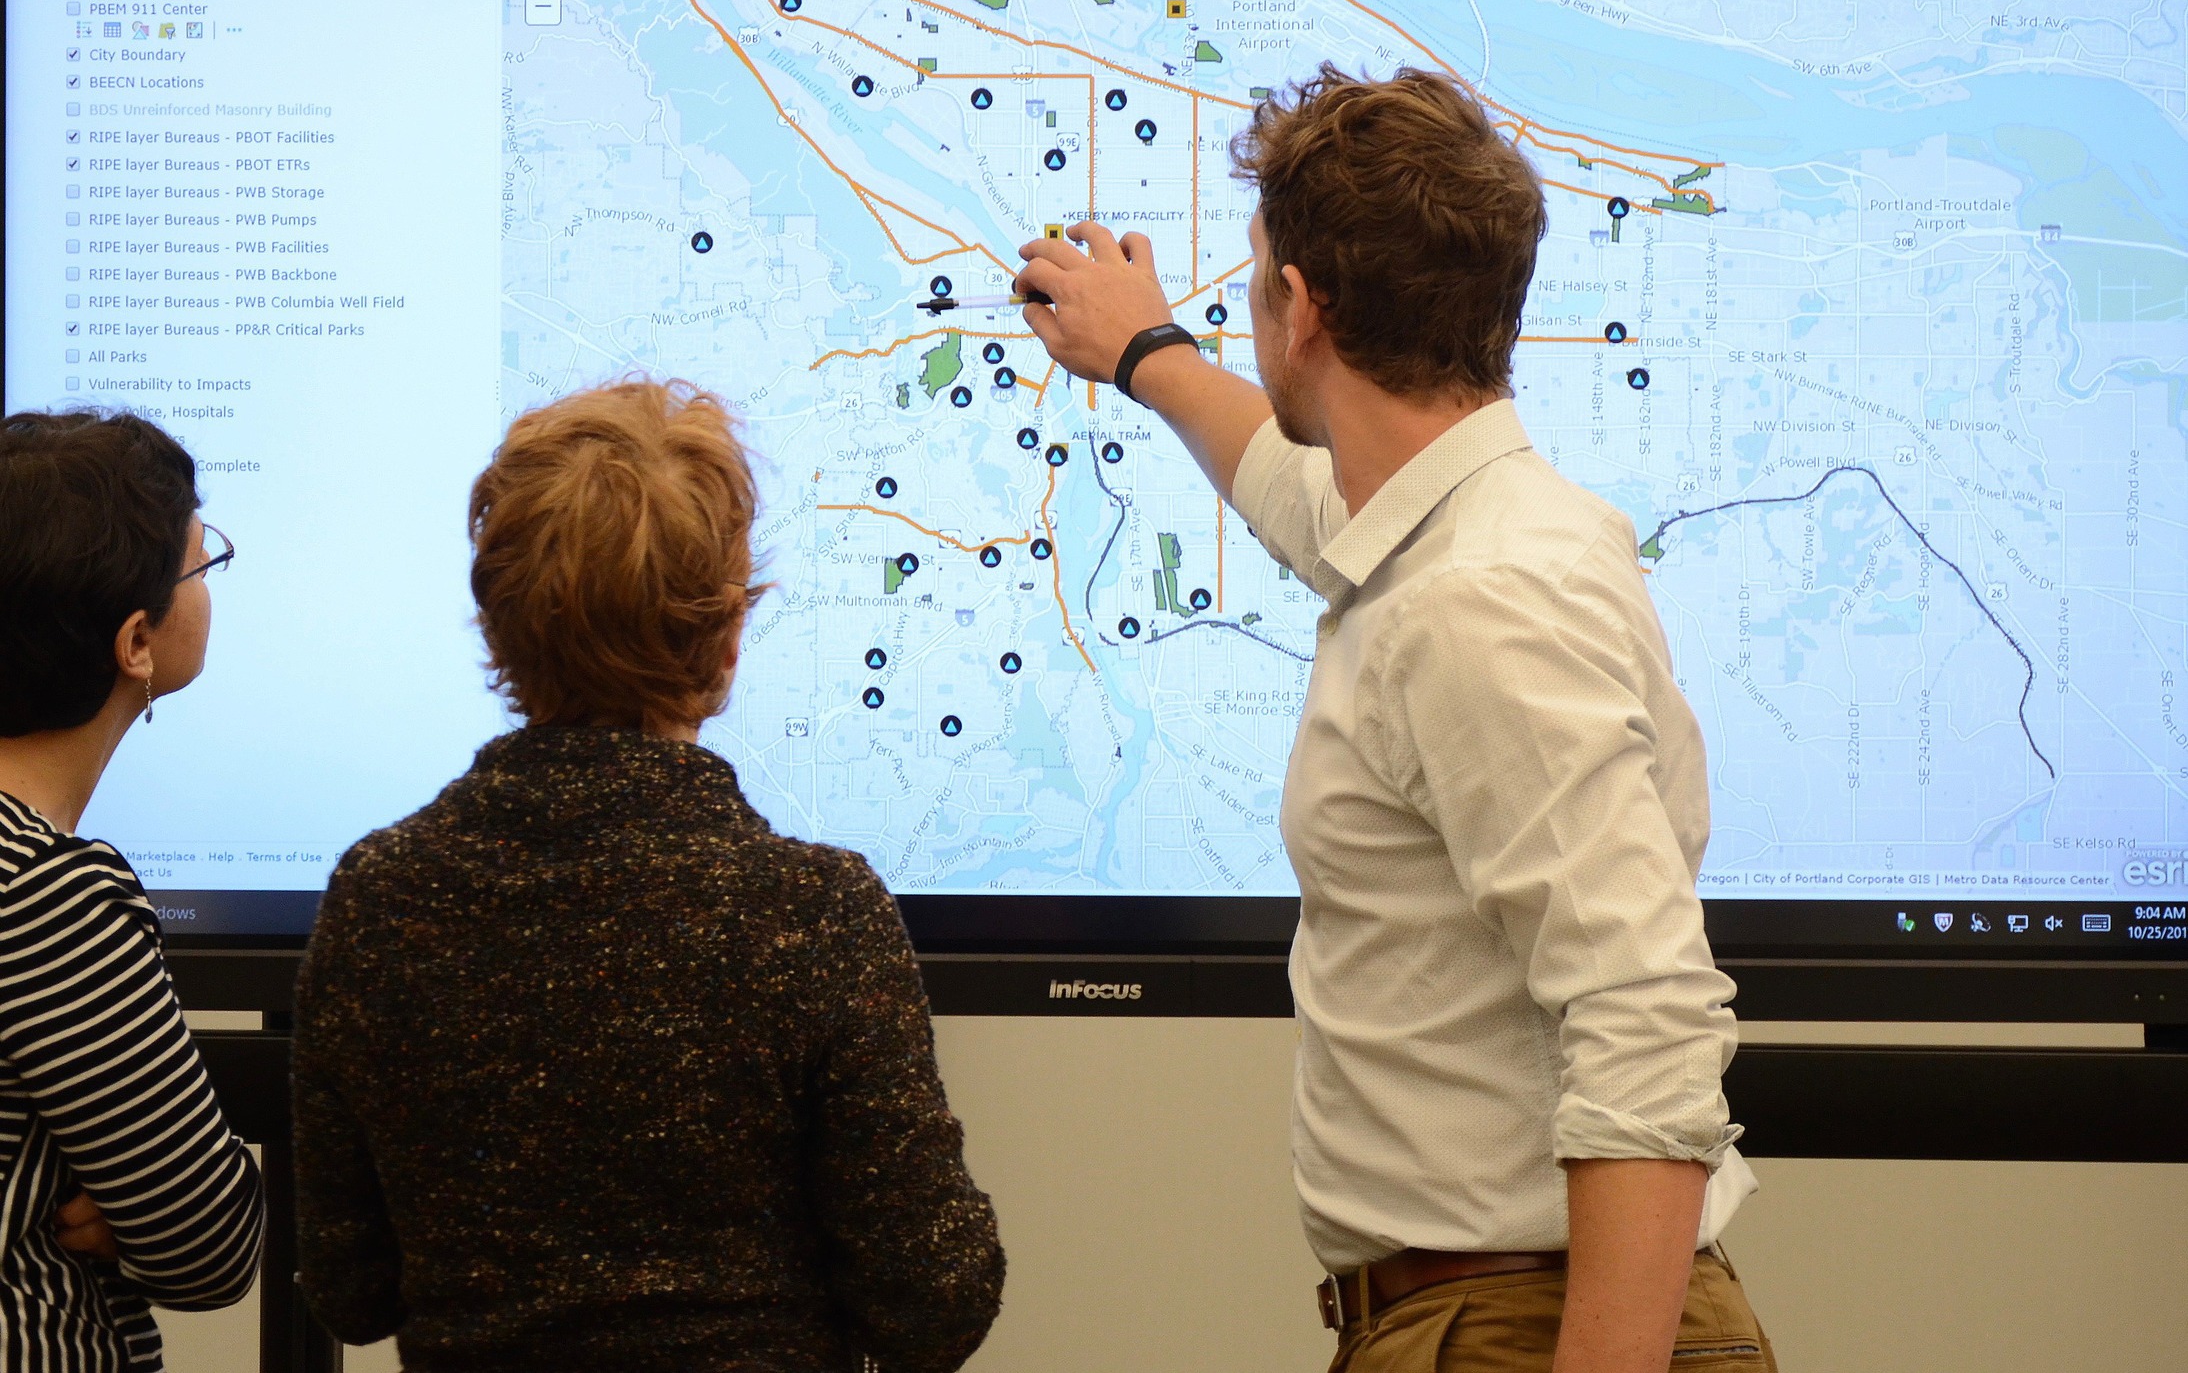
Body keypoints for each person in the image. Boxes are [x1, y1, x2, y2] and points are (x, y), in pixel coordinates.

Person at [1012, 67, 1774, 1373]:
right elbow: (1303, 498)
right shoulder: (1488, 530)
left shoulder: (1478, 604)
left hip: (1526, 1329)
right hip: (1493, 1314)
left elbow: (1642, 1018)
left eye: (1257, 280)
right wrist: (1146, 354)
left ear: (1302, 308)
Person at [291, 378, 1004, 1373]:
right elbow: (934, 1301)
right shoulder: (812, 914)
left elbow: (348, 1290)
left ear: (497, 630)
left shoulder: (379, 898)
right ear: (726, 641)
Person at [0, 409, 267, 1371]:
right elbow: (209, 1249)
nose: (211, 585)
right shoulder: (53, 897)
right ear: (135, 644)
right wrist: (144, 1198)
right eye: (202, 567)